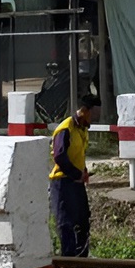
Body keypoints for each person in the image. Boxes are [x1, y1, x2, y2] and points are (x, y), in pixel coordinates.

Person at [48, 98, 97, 258]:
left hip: (76, 181)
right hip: (62, 181)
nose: (94, 118)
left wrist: (83, 171)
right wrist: (77, 174)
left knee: (82, 218)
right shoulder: (65, 129)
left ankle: (82, 256)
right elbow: (60, 156)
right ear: (84, 111)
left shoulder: (82, 129)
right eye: (93, 113)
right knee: (65, 221)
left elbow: (78, 153)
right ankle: (68, 258)